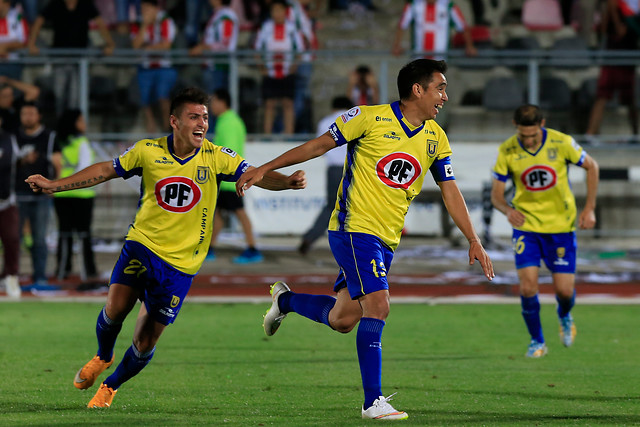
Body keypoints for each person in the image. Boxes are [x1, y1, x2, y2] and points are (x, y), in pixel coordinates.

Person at [236, 59, 494, 420]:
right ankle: (372, 401)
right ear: (417, 90)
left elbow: (450, 190)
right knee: (379, 306)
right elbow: (318, 146)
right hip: (354, 228)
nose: (445, 97)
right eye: (440, 88)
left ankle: (286, 301)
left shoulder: (436, 137)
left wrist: (473, 238)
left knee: (343, 319)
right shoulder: (368, 117)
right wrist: (265, 168)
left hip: (386, 239)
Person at [25, 87, 306, 409]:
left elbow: (254, 174)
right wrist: (55, 185)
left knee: (145, 341)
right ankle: (103, 355)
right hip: (142, 245)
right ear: (174, 121)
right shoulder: (147, 151)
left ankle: (110, 385)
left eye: (205, 117)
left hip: (181, 265)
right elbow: (106, 170)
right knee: (115, 309)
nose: (202, 123)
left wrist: (286, 182)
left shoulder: (216, 157)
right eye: (194, 117)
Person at [491, 104, 599, 358]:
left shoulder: (562, 143)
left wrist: (589, 209)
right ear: (515, 127)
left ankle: (564, 314)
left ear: (542, 124)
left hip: (560, 227)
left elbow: (592, 166)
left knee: (564, 291)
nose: (528, 141)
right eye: (523, 135)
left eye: (533, 135)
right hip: (527, 228)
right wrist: (507, 210)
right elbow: (496, 196)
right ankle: (537, 341)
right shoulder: (507, 149)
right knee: (528, 287)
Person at [26, 0, 115, 115]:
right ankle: (62, 128)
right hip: (59, 58)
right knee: (59, 95)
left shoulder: (85, 4)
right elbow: (39, 21)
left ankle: (74, 130)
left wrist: (110, 43)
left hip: (80, 59)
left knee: (76, 98)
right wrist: (31, 44)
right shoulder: (56, 4)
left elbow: (100, 23)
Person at [207, 88, 263, 264]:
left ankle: (253, 248)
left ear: (222, 102)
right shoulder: (229, 120)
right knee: (217, 214)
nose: (211, 106)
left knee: (238, 213)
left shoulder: (228, 122)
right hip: (226, 178)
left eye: (213, 101)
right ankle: (209, 248)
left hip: (229, 179)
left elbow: (228, 152)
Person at [298, 95, 353, 255]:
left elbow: (320, 149)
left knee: (331, 206)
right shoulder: (356, 119)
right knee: (356, 208)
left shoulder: (325, 122)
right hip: (354, 169)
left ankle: (310, 237)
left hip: (334, 169)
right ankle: (353, 245)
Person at [15, 101, 61, 288]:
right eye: (24, 113)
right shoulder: (14, 136)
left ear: (39, 115)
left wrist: (54, 186)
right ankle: (12, 277)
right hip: (17, 194)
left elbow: (57, 163)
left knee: (40, 238)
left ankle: (40, 277)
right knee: (13, 239)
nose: (27, 117)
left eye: (31, 113)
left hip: (41, 196)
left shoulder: (49, 137)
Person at [52, 109, 99, 283]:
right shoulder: (82, 142)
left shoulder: (58, 142)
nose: (84, 124)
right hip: (82, 194)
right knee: (84, 234)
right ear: (74, 123)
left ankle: (62, 270)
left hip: (62, 194)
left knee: (64, 234)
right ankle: (88, 271)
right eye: (81, 120)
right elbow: (85, 168)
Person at [585, 0, 638, 142]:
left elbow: (627, 30)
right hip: (612, 56)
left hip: (628, 56)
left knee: (630, 99)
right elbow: (606, 29)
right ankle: (591, 133)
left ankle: (636, 134)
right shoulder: (614, 7)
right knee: (602, 95)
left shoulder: (633, 9)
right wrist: (613, 12)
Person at [254, 0, 304, 134]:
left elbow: (300, 50)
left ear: (285, 12)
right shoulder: (265, 28)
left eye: (279, 10)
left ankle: (289, 134)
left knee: (288, 103)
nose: (277, 14)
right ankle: (267, 135)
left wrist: (294, 66)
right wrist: (261, 67)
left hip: (287, 71)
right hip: (270, 71)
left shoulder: (292, 28)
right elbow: (257, 50)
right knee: (269, 104)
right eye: (274, 10)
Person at [131, 0, 178, 133]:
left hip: (165, 67)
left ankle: (167, 129)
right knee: (143, 99)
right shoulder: (139, 23)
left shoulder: (165, 20)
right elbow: (135, 46)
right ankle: (151, 130)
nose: (144, 11)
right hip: (145, 68)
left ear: (155, 7)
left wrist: (146, 49)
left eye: (146, 8)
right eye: (142, 8)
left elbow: (166, 46)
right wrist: (145, 25)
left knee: (162, 96)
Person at [392, 0, 477, 59]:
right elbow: (402, 25)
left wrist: (469, 46)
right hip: (418, 59)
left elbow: (463, 26)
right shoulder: (414, 4)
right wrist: (397, 45)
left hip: (440, 60)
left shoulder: (448, 5)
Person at [188, 0, 239, 94]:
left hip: (219, 66)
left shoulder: (226, 16)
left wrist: (203, 47)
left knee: (216, 103)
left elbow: (225, 44)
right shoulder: (217, 14)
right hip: (212, 65)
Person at [0, 116, 21, 298]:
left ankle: (11, 277)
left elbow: (8, 161)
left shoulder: (8, 139)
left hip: (6, 201)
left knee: (11, 239)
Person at [0, 0, 29, 81]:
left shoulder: (17, 17)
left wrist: (5, 46)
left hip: (12, 64)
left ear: (7, 3)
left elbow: (24, 42)